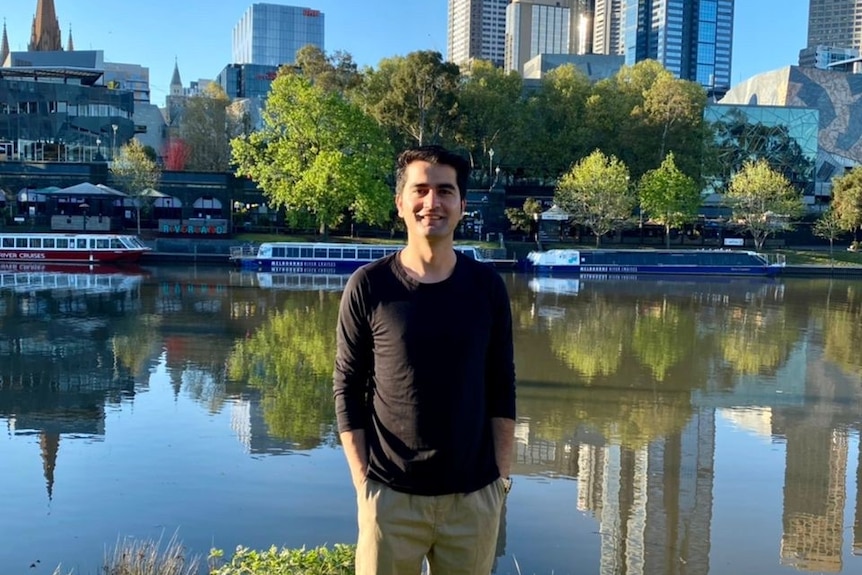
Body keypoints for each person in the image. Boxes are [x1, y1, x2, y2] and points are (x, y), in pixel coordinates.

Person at [333, 145, 516, 575]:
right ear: (400, 203)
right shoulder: (370, 287)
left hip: (473, 499)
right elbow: (347, 387)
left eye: (445, 191)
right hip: (391, 497)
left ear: (461, 205)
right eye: (420, 190)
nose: (432, 202)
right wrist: (364, 482)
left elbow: (501, 385)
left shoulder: (487, 288)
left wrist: (501, 481)